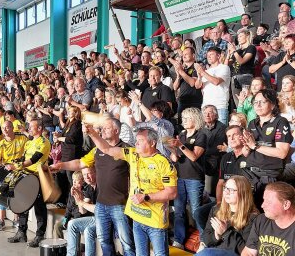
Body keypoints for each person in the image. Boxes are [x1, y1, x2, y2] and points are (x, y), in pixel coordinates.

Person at [83, 123, 177, 256]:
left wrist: (146, 197)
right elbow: (107, 149)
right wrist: (92, 133)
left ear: (152, 143)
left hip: (155, 222)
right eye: (136, 140)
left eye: (140, 140)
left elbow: (171, 193)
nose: (136, 143)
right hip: (137, 218)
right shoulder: (133, 154)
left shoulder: (164, 163)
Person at [50, 118, 135, 256]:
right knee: (104, 241)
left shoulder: (126, 149)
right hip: (101, 205)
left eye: (106, 128)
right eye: (102, 128)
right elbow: (80, 163)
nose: (103, 130)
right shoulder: (96, 151)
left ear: (116, 131)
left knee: (127, 244)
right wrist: (60, 165)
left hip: (120, 204)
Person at [241, 89, 293, 209]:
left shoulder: (281, 122)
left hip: (268, 175)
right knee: (246, 211)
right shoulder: (252, 123)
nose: (258, 105)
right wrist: (245, 145)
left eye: (262, 102)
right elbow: (245, 153)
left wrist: (255, 146)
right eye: (255, 102)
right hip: (249, 173)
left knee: (264, 211)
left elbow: (282, 153)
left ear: (273, 104)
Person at [6, 118, 50, 247]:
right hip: (25, 176)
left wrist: (17, 166)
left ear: (40, 128)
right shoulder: (29, 142)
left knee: (39, 207)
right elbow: (23, 158)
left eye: (31, 126)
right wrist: (13, 162)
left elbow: (33, 160)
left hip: (38, 177)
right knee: (22, 204)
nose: (29, 129)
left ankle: (40, 236)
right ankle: (21, 233)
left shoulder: (44, 142)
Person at [169, 107, 207, 250]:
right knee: (179, 211)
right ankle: (179, 240)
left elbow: (194, 156)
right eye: (183, 118)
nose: (183, 121)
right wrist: (173, 149)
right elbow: (176, 159)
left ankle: (203, 240)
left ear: (195, 119)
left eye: (186, 118)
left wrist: (181, 145)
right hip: (180, 177)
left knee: (196, 211)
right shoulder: (182, 134)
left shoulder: (201, 135)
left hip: (194, 178)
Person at [197, 176, 259, 256]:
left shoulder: (253, 218)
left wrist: (226, 233)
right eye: (225, 188)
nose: (226, 192)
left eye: (232, 190)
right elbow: (206, 238)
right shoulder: (216, 209)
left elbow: (245, 251)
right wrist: (216, 236)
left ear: (243, 193)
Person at [241, 182, 295, 256]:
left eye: (269, 202)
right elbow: (249, 252)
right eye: (264, 200)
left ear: (286, 205)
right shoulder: (261, 220)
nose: (262, 205)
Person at [66, 166, 98, 256]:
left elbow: (98, 210)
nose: (86, 177)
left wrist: (81, 202)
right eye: (84, 175)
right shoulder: (90, 188)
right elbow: (82, 211)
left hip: (104, 218)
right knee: (71, 223)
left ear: (96, 172)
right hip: (95, 218)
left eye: (89, 173)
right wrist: (78, 197)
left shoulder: (99, 186)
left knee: (87, 230)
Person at [195, 47, 231, 125]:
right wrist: (199, 77)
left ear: (218, 56)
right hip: (206, 106)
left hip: (219, 106)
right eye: (207, 55)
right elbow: (197, 86)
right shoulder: (206, 71)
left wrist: (202, 72)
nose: (209, 57)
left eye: (211, 54)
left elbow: (216, 81)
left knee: (220, 133)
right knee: (206, 133)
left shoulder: (224, 68)